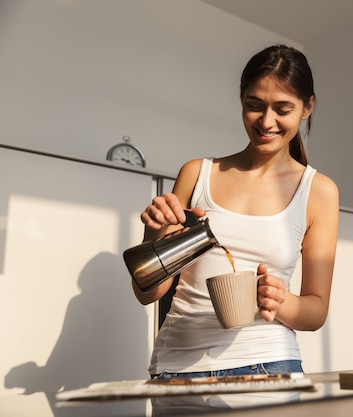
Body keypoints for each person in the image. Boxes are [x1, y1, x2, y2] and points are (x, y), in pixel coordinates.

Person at [133, 44, 339, 379]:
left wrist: (281, 301)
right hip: (177, 370)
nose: (266, 121)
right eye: (254, 106)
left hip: (269, 366)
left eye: (282, 109)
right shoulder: (196, 174)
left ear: (307, 107)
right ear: (241, 100)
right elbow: (148, 293)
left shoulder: (318, 192)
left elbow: (316, 311)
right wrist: (155, 234)